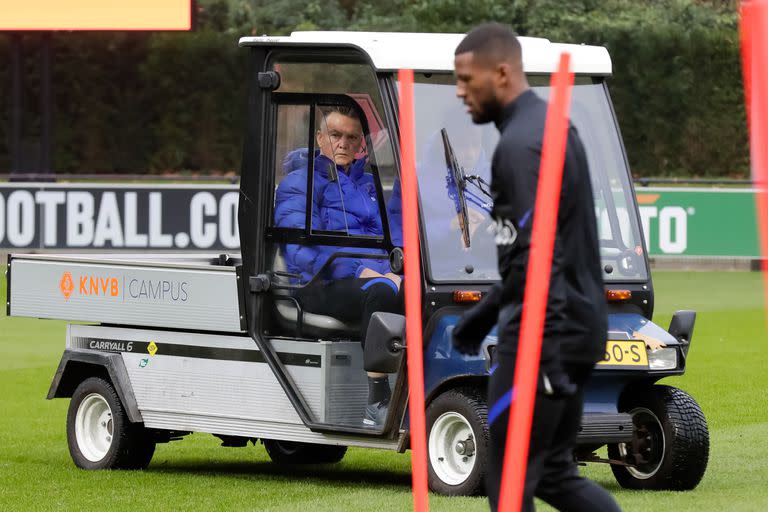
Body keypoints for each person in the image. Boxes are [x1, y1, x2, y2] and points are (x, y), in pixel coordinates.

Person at [451, 23, 622, 511]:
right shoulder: (552, 127)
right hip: (575, 328)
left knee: (508, 486)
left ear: (502, 73)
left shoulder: (519, 147)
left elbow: (532, 260)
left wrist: (479, 320)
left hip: (543, 335)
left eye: (467, 79)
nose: (461, 91)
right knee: (552, 474)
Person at [274, 104, 402, 427]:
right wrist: (361, 270)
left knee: (420, 290)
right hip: (314, 283)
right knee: (383, 293)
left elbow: (385, 239)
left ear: (361, 145)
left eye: (351, 137)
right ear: (319, 138)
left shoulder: (367, 187)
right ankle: (377, 400)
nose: (343, 143)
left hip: (362, 280)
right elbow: (301, 249)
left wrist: (396, 268)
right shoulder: (298, 183)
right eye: (335, 135)